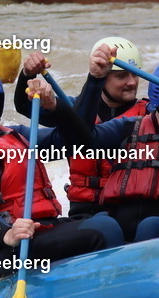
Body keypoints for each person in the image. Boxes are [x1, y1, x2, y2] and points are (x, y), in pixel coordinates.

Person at [0, 67, 124, 286]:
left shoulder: (14, 136)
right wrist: (6, 234)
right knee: (103, 230)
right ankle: (105, 291)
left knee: (103, 219)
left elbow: (76, 142)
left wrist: (55, 106)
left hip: (30, 234)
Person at [79, 50, 159, 241]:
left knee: (151, 226)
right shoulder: (127, 128)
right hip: (121, 219)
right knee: (101, 223)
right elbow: (82, 136)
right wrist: (95, 80)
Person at [13, 38, 146, 216]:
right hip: (83, 209)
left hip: (127, 209)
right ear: (103, 76)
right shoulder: (77, 109)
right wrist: (27, 74)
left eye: (135, 74)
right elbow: (25, 106)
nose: (132, 82)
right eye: (121, 76)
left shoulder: (149, 115)